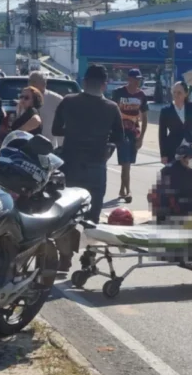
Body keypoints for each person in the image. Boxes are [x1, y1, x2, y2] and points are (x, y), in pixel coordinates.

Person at [52, 64, 123, 272]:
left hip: (70, 165)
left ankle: (65, 258)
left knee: (65, 215)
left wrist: (74, 130)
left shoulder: (68, 101)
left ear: (84, 82)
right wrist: (104, 142)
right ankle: (89, 259)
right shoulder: (111, 108)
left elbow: (56, 129)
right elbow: (120, 138)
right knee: (92, 217)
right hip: (96, 167)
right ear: (104, 85)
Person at [112, 68, 149, 203]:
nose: (137, 82)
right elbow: (112, 112)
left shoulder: (142, 96)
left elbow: (145, 118)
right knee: (126, 162)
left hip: (134, 133)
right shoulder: (119, 93)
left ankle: (122, 189)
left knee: (127, 163)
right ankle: (128, 190)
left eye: (139, 79)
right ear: (129, 79)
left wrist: (141, 137)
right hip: (121, 132)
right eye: (135, 79)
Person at [149, 142, 192, 224]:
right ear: (182, 158)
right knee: (154, 195)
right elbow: (162, 197)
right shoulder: (168, 171)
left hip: (188, 204)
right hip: (172, 205)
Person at [29, 71, 63, 147]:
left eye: (34, 81)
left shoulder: (56, 99)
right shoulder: (25, 98)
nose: (30, 84)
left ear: (44, 84)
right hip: (29, 143)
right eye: (29, 81)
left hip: (49, 145)